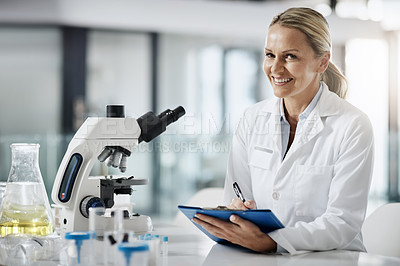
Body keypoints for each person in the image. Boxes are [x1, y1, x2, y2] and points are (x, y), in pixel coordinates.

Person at [193, 7, 374, 255]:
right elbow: (236, 195)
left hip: (333, 259)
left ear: (322, 62)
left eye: (290, 57)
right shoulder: (252, 118)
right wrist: (237, 214)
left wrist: (273, 241)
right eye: (270, 55)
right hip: (262, 257)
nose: (275, 69)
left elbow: (342, 223)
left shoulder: (352, 125)